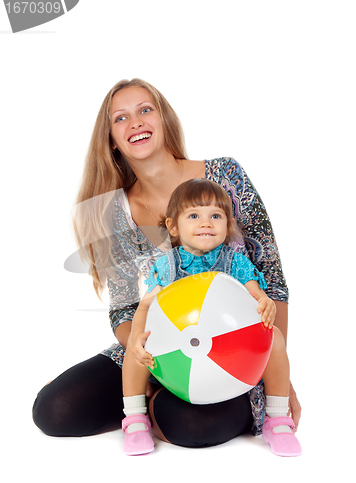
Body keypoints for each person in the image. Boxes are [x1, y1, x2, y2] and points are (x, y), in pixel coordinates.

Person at [32, 78, 301, 449]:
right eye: (121, 118)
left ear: (163, 120)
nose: (136, 122)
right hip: (156, 349)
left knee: (193, 426)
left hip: (235, 350)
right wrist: (151, 355)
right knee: (54, 411)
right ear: (111, 138)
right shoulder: (114, 211)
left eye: (145, 110)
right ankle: (144, 406)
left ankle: (164, 408)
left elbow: (272, 278)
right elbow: (125, 309)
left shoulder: (225, 175)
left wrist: (275, 379)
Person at [121, 178, 301, 457]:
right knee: (137, 344)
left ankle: (277, 421)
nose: (206, 223)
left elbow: (256, 295)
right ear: (173, 226)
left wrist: (266, 303)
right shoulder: (168, 265)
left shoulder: (236, 261)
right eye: (194, 215)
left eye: (215, 216)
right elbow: (145, 306)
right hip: (177, 352)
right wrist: (136, 339)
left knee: (274, 336)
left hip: (229, 352)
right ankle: (134, 419)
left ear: (227, 224)